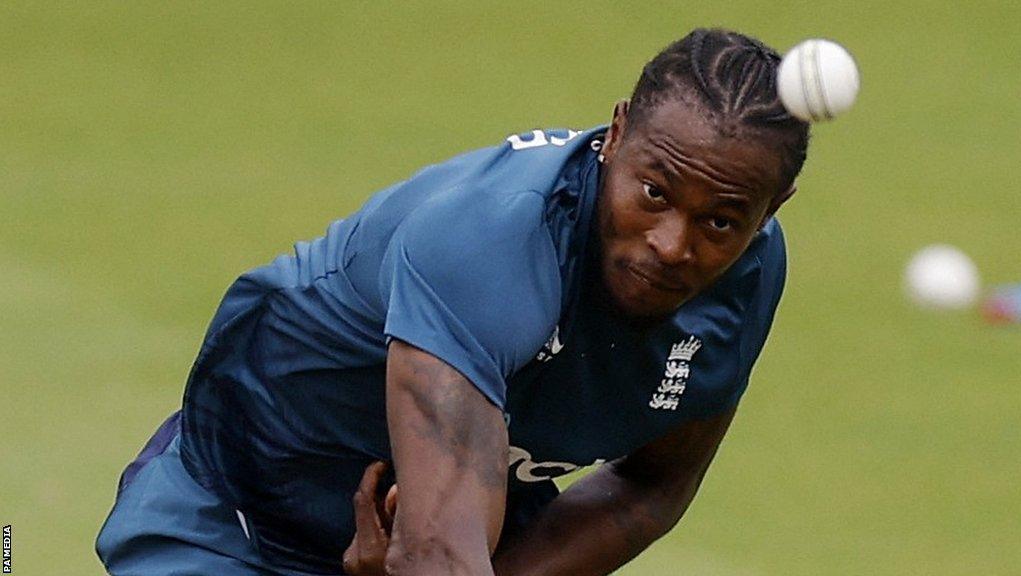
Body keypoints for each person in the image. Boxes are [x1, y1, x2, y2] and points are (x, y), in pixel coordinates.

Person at [96, 27, 810, 576]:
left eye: (720, 221)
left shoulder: (749, 279)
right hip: (244, 515)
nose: (671, 244)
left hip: (469, 540)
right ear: (615, 135)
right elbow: (434, 550)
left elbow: (653, 485)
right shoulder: (490, 239)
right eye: (653, 193)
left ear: (773, 208)